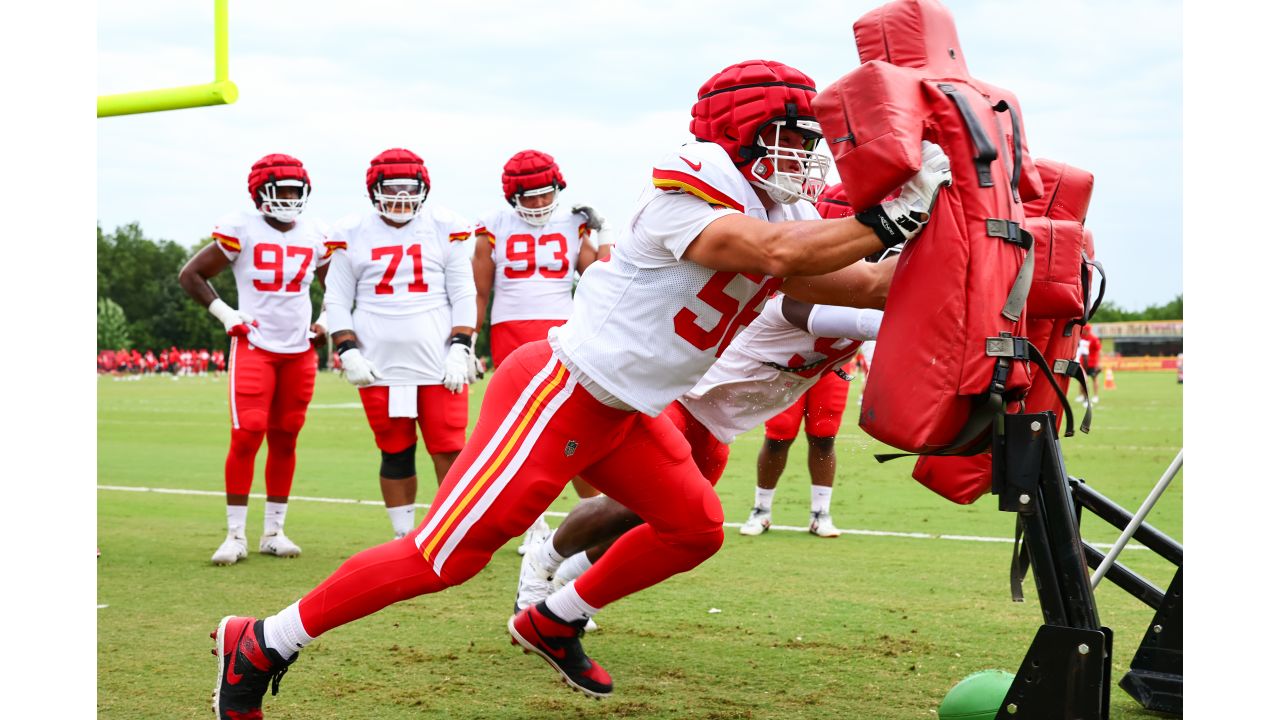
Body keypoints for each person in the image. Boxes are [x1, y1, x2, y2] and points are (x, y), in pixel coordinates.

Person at [211, 59, 950, 716]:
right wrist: (891, 214)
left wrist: (957, 226)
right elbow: (774, 251)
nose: (808, 154)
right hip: (562, 392)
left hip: (627, 410)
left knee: (694, 527)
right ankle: (262, 642)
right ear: (746, 131)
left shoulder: (779, 210)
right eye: (794, 134)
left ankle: (553, 617)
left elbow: (873, 282)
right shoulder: (691, 187)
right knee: (445, 558)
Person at [515, 292, 882, 622]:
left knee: (667, 525)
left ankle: (566, 583)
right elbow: (841, 315)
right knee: (630, 506)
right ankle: (541, 562)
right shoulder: (800, 297)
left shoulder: (866, 304)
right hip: (681, 405)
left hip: (718, 431)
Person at [178, 153, 334, 566]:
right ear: (260, 193)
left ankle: (274, 531)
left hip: (299, 349)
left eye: (293, 190)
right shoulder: (241, 228)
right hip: (255, 344)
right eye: (279, 190)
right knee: (247, 434)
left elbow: (339, 284)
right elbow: (191, 275)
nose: (287, 197)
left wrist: (326, 319)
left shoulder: (316, 232)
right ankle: (234, 534)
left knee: (286, 436)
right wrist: (226, 313)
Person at [323, 148, 479, 540]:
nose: (400, 199)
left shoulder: (447, 226)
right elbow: (338, 298)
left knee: (449, 448)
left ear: (423, 189)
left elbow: (463, 292)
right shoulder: (350, 231)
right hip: (378, 362)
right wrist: (347, 350)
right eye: (391, 190)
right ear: (373, 191)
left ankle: (451, 533)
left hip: (438, 358)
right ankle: (403, 536)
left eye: (408, 190)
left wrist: (462, 346)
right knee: (394, 450)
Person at [472, 149, 610, 554]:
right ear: (512, 196)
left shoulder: (574, 223)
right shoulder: (491, 227)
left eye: (543, 194)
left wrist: (603, 234)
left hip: (564, 330)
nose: (536, 203)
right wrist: (464, 340)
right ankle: (531, 524)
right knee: (521, 434)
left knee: (574, 427)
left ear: (558, 189)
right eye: (527, 196)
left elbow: (601, 276)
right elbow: (479, 292)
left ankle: (594, 513)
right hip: (509, 332)